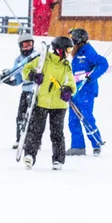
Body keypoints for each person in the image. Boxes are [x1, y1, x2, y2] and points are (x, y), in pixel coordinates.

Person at [22, 36, 76, 170]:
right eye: (68, 49)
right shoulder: (43, 60)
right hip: (42, 101)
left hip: (59, 104)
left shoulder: (66, 65)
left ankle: (58, 159)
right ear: (59, 50)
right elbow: (25, 69)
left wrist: (68, 90)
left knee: (57, 133)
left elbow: (71, 81)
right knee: (36, 131)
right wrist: (32, 75)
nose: (69, 52)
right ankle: (29, 155)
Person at [66, 28, 108, 156]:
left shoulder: (88, 51)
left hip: (86, 91)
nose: (71, 42)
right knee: (73, 120)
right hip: (76, 91)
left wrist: (92, 76)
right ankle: (77, 147)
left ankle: (96, 143)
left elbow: (103, 63)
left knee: (86, 117)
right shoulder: (76, 53)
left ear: (78, 39)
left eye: (72, 39)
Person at [3, 34, 35, 149]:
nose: (27, 47)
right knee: (21, 115)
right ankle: (19, 138)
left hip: (36, 91)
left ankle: (32, 140)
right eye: (25, 45)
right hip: (25, 90)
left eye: (30, 44)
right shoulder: (18, 60)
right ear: (20, 46)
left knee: (33, 116)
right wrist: (10, 81)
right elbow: (18, 79)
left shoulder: (37, 56)